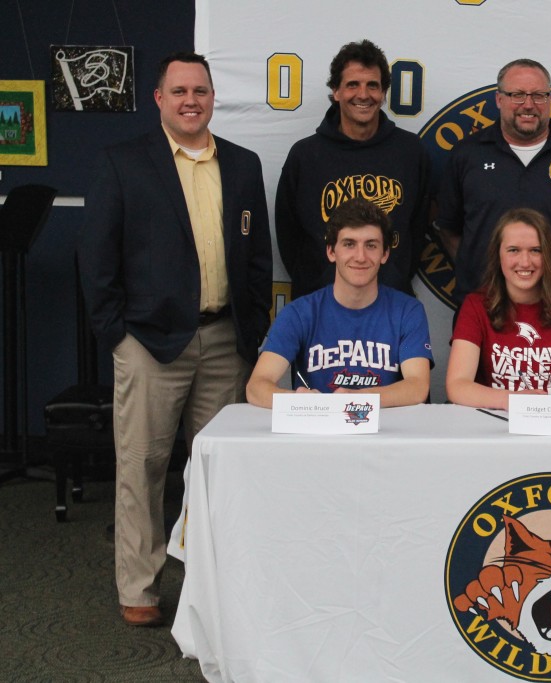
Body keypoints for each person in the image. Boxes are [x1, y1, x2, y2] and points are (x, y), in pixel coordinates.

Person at [77, 52, 272, 626]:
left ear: (214, 98)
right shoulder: (123, 163)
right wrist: (117, 337)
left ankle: (211, 588)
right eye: (180, 90)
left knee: (217, 472)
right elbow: (95, 258)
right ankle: (140, 590)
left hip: (223, 341)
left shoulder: (242, 164)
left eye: (202, 90)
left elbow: (256, 257)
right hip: (148, 342)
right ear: (159, 98)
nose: (192, 100)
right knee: (143, 465)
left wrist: (252, 332)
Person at [434, 58, 551, 303]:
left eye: (538, 95)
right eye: (517, 94)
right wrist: (478, 271)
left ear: (550, 100)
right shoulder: (467, 154)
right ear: (499, 99)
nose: (528, 105)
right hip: (482, 306)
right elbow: (449, 228)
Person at [275, 39, 430, 299]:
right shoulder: (305, 155)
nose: (363, 95)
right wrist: (318, 281)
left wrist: (394, 276)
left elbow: (418, 226)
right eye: (352, 85)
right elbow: (288, 235)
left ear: (383, 93)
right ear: (336, 91)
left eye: (372, 85)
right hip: (320, 304)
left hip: (390, 303)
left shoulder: (411, 152)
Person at [246, 198, 432, 407]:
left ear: (385, 253)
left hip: (385, 432)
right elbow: (256, 387)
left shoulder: (407, 311)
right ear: (331, 251)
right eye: (349, 244)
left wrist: (357, 400)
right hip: (317, 431)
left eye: (371, 245)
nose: (360, 257)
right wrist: (296, 402)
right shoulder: (300, 313)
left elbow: (417, 387)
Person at [446, 207, 551, 409]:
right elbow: (457, 386)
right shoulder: (475, 306)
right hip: (494, 426)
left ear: (548, 255)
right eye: (513, 250)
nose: (525, 262)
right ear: (498, 255)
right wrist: (517, 401)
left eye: (535, 250)